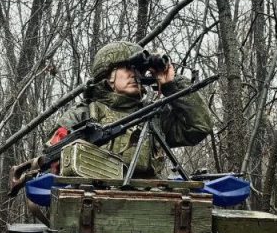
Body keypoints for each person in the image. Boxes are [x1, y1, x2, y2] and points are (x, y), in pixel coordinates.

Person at [49, 41, 212, 176]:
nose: (135, 74)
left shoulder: (153, 115)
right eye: (127, 68)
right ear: (107, 75)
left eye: (139, 70)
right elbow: (52, 159)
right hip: (94, 201)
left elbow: (199, 127)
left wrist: (172, 84)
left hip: (149, 203)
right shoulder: (83, 114)